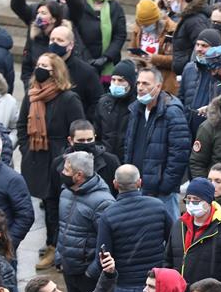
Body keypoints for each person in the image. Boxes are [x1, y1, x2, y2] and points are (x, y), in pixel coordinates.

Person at [17, 52, 85, 267]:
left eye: (45, 65)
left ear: (56, 71)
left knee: (58, 205)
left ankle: (56, 247)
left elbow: (78, 127)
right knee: (47, 203)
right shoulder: (33, 95)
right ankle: (51, 244)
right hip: (38, 157)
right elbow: (21, 126)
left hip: (59, 157)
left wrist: (67, 156)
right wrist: (26, 147)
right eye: (38, 64)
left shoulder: (68, 98)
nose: (40, 68)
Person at [96, 164, 172, 292]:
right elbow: (173, 241)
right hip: (156, 285)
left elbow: (103, 258)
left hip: (125, 289)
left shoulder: (108, 215)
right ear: (139, 182)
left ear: (115, 184)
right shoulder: (158, 207)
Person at [123, 66, 190, 221]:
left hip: (161, 194)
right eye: (138, 83)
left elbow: (179, 154)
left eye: (146, 84)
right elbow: (129, 145)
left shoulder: (172, 112)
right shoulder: (136, 110)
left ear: (158, 86)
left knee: (168, 237)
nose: (140, 87)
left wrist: (164, 186)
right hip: (138, 187)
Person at [56, 151, 115, 292]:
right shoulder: (65, 192)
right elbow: (62, 228)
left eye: (67, 170)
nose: (62, 172)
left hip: (88, 276)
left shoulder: (103, 202)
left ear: (79, 175)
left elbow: (108, 241)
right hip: (69, 270)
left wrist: (92, 272)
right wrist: (59, 257)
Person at [62, 0, 126, 82]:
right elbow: (72, 31)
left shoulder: (115, 7)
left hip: (107, 64)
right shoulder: (79, 3)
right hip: (81, 60)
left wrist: (106, 57)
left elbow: (120, 35)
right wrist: (87, 58)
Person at [46, 26, 103, 123]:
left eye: (60, 40)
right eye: (52, 39)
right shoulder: (44, 66)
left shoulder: (86, 72)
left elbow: (97, 103)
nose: (55, 43)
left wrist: (83, 123)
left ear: (70, 45)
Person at [12, 0, 69, 88]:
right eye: (38, 13)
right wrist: (29, 86)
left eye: (43, 13)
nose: (38, 16)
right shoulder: (35, 37)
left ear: (53, 19)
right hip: (35, 89)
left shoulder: (63, 38)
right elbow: (27, 66)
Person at [56, 119, 120, 197]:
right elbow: (52, 197)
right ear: (70, 140)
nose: (86, 143)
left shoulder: (110, 161)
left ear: (95, 137)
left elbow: (118, 192)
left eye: (89, 140)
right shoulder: (59, 163)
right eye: (81, 140)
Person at [179, 28, 221, 136]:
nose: (199, 49)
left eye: (204, 46)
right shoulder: (189, 68)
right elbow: (181, 98)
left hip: (211, 132)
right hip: (188, 130)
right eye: (197, 45)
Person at [129, 0, 178, 95]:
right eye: (141, 24)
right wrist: (138, 58)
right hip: (143, 79)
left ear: (156, 21)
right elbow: (132, 50)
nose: (144, 27)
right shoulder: (138, 27)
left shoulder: (171, 30)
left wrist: (155, 58)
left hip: (164, 81)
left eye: (147, 25)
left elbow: (177, 60)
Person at [95, 60, 137, 162]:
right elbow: (97, 133)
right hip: (105, 160)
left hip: (128, 161)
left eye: (121, 80)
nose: (116, 84)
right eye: (113, 80)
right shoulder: (103, 103)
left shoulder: (138, 105)